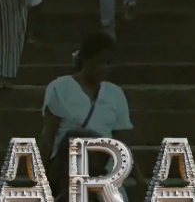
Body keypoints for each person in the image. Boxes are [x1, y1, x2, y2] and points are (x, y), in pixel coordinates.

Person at [39, 33, 146, 202]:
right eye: (99, 62)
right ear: (84, 60)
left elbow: (122, 144)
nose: (103, 68)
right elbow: (48, 136)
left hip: (103, 167)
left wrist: (138, 178)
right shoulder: (60, 87)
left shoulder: (115, 94)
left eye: (108, 63)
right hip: (68, 165)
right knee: (79, 136)